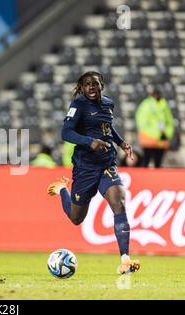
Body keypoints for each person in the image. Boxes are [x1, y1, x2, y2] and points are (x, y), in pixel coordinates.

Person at [46, 71, 140, 274]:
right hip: (85, 167)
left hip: (107, 163)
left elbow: (107, 127)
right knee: (76, 218)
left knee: (119, 202)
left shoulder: (108, 104)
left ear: (101, 86)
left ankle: (125, 259)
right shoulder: (78, 106)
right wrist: (90, 142)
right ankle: (63, 189)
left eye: (95, 84)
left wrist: (121, 142)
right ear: (81, 87)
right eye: (87, 84)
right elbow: (66, 132)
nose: (91, 87)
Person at [135, 88, 174, 168]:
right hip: (149, 139)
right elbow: (142, 123)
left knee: (158, 163)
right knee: (146, 161)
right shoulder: (146, 105)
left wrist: (166, 133)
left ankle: (157, 179)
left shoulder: (164, 105)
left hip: (161, 140)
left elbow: (169, 121)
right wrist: (156, 134)